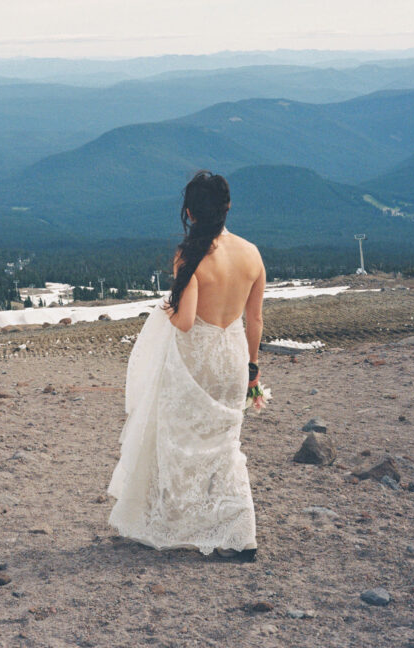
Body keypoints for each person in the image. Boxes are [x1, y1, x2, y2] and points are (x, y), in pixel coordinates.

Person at [108, 170, 264, 561]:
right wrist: (252, 368)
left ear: (191, 213)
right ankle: (241, 532)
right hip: (232, 356)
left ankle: (180, 524)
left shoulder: (190, 256)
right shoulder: (252, 253)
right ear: (228, 209)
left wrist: (165, 307)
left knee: (180, 441)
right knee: (226, 445)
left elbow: (186, 321)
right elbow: (256, 320)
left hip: (195, 359)